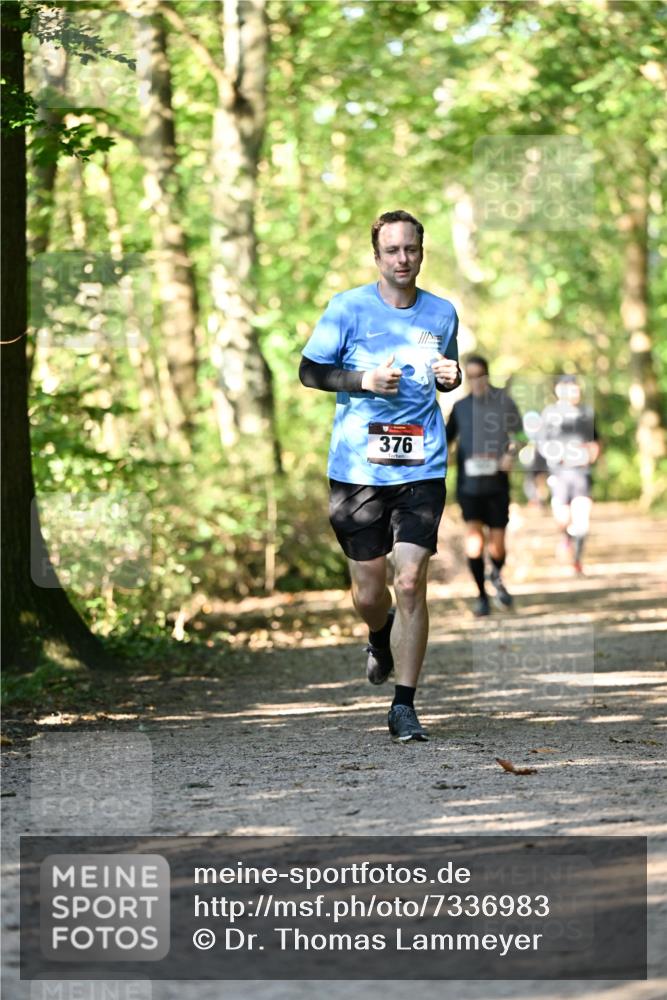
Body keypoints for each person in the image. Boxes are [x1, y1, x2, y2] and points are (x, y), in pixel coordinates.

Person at [299, 210, 460, 743]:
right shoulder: (347, 308)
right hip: (356, 469)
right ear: (377, 255)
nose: (402, 259)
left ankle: (404, 705)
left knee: (410, 580)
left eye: (410, 249)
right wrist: (363, 379)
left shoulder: (442, 312)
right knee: (370, 593)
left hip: (423, 465)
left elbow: (445, 372)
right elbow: (310, 371)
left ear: (421, 252)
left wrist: (450, 375)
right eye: (392, 250)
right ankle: (378, 633)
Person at [445, 356, 522, 617]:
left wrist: (510, 454)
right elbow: (446, 440)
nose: (476, 381)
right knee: (474, 542)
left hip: (497, 485)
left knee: (497, 545)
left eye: (480, 375)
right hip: (468, 486)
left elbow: (519, 435)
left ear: (487, 376)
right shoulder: (460, 407)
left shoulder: (504, 403)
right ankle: (481, 597)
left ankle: (496, 574)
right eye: (471, 376)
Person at [537, 375, 599, 575]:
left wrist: (591, 454)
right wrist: (557, 455)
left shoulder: (587, 413)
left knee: (582, 521)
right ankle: (566, 538)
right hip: (559, 474)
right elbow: (541, 444)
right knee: (562, 518)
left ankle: (577, 560)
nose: (574, 393)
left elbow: (596, 440)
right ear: (559, 391)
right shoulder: (549, 414)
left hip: (582, 473)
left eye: (576, 389)